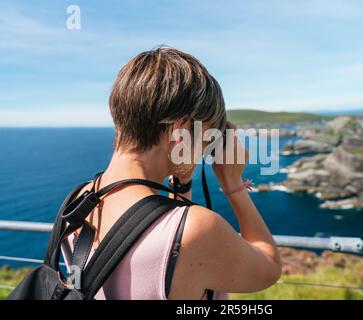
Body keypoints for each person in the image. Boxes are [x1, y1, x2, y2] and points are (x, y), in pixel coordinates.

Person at [62, 47, 282, 300]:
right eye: (207, 136)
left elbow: (155, 232)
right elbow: (269, 268)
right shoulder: (198, 229)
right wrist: (234, 186)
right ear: (180, 130)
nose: (205, 149)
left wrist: (183, 178)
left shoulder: (78, 202)